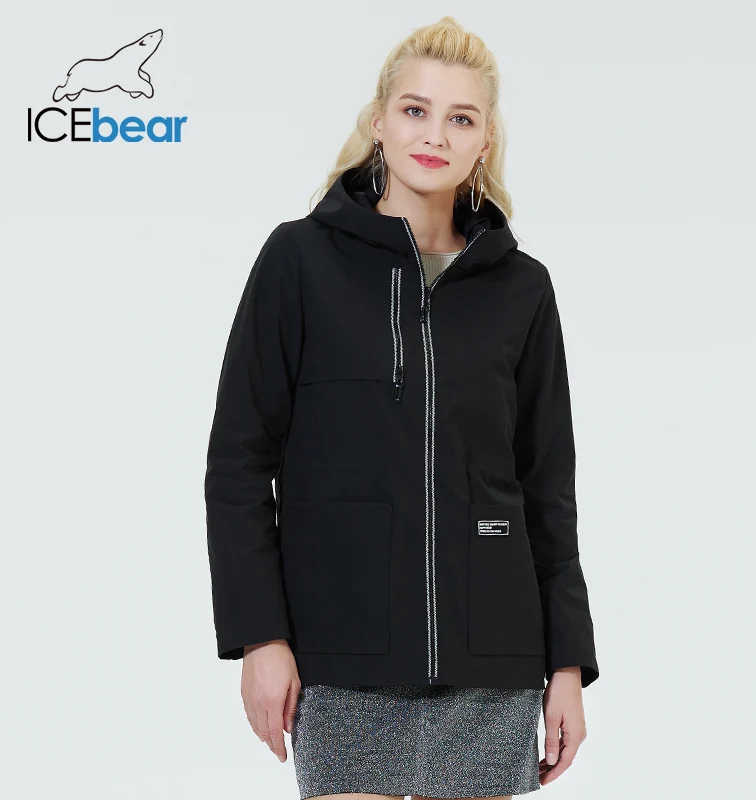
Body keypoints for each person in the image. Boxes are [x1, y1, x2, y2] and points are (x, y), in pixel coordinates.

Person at [204, 15, 599, 800]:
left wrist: (567, 663)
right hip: (342, 657)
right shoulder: (300, 261)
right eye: (415, 109)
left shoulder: (522, 289)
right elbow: (239, 463)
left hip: (491, 662)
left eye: (462, 118)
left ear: (485, 140)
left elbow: (546, 489)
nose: (435, 134)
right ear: (379, 120)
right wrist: (259, 636)